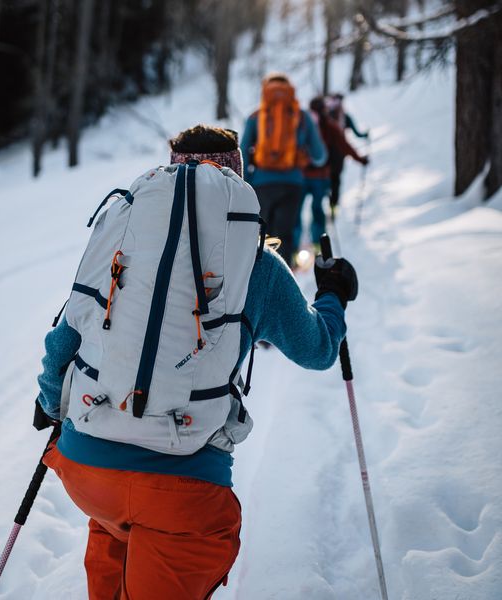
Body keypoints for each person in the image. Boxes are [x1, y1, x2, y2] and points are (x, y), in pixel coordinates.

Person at [34, 124, 358, 600]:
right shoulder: (257, 264)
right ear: (236, 182)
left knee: (115, 527)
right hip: (182, 491)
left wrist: (50, 403)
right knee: (159, 524)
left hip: (87, 470)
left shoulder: (122, 245)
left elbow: (64, 340)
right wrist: (332, 297)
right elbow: (317, 350)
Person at [240, 73, 327, 267]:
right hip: (292, 183)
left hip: (261, 183)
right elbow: (320, 156)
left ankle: (257, 284)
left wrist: (248, 180)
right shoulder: (302, 117)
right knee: (285, 236)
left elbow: (243, 151)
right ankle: (284, 282)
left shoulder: (256, 117)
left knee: (260, 236)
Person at [294, 96, 369, 252]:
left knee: (297, 212)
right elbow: (345, 146)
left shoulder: (301, 126)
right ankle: (318, 245)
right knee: (317, 210)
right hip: (321, 177)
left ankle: (293, 247)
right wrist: (360, 159)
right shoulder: (330, 126)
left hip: (301, 177)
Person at [326, 93, 369, 210]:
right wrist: (365, 135)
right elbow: (357, 133)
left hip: (326, 154)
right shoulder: (345, 117)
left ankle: (328, 205)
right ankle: (333, 208)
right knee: (336, 181)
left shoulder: (326, 116)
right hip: (340, 153)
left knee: (326, 180)